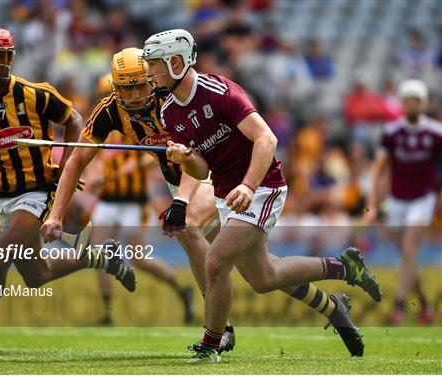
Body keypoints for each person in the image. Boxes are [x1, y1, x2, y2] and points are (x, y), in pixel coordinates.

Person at [45, 47, 373, 357]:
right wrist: (57, 215)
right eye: (124, 90)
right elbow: (76, 161)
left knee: (188, 226)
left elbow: (196, 161)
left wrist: (181, 201)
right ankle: (336, 296)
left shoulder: (169, 100)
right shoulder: (110, 112)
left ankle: (218, 328)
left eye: (139, 87)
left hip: (208, 176)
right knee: (263, 275)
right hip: (184, 183)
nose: (133, 97)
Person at [143, 29, 382, 364]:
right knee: (264, 278)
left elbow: (266, 139)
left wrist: (249, 186)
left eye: (154, 64)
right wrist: (186, 158)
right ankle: (344, 268)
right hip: (229, 193)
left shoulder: (220, 90)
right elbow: (201, 169)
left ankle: (211, 344)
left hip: (262, 186)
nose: (149, 71)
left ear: (177, 61)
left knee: (214, 263)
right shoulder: (170, 112)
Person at [0, 27, 135, 354]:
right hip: (4, 196)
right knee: (37, 275)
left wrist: (67, 167)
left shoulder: (35, 94)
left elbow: (74, 119)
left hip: (39, 191)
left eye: (0, 56)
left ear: (10, 58)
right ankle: (96, 258)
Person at [88, 76, 195, 324]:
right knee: (97, 254)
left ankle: (180, 289)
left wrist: (114, 174)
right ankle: (107, 313)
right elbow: (95, 160)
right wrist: (95, 177)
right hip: (107, 201)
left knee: (139, 258)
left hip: (133, 202)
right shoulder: (105, 125)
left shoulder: (137, 125)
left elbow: (148, 159)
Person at [365, 79, 441, 325]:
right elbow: (379, 168)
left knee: (409, 248)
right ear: (401, 102)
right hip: (397, 200)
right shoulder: (391, 132)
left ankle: (398, 309)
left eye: (416, 100)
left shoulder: (435, 133)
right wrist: (373, 204)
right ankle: (427, 306)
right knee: (408, 256)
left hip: (423, 198)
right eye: (407, 100)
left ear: (424, 102)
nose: (411, 104)